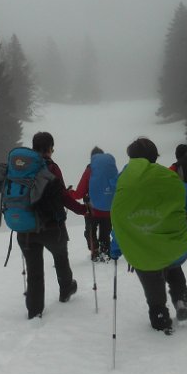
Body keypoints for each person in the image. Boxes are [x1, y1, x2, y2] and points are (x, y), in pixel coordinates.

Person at [110, 137, 187, 333]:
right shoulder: (168, 178)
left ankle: (159, 315)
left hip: (141, 252)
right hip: (174, 248)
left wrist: (116, 248)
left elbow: (120, 221)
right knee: (173, 267)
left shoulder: (122, 184)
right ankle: (181, 301)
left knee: (150, 275)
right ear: (154, 157)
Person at [17, 131, 86, 319]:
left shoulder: (22, 167)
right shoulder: (51, 168)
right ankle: (66, 289)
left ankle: (34, 310)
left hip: (26, 228)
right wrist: (82, 210)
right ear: (49, 148)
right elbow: (62, 196)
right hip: (51, 227)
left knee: (34, 271)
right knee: (61, 257)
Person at [68, 146, 115, 261]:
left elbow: (79, 194)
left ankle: (95, 251)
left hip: (92, 210)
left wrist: (69, 193)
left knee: (90, 232)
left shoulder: (90, 170)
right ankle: (105, 252)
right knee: (105, 233)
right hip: (108, 210)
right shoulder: (111, 170)